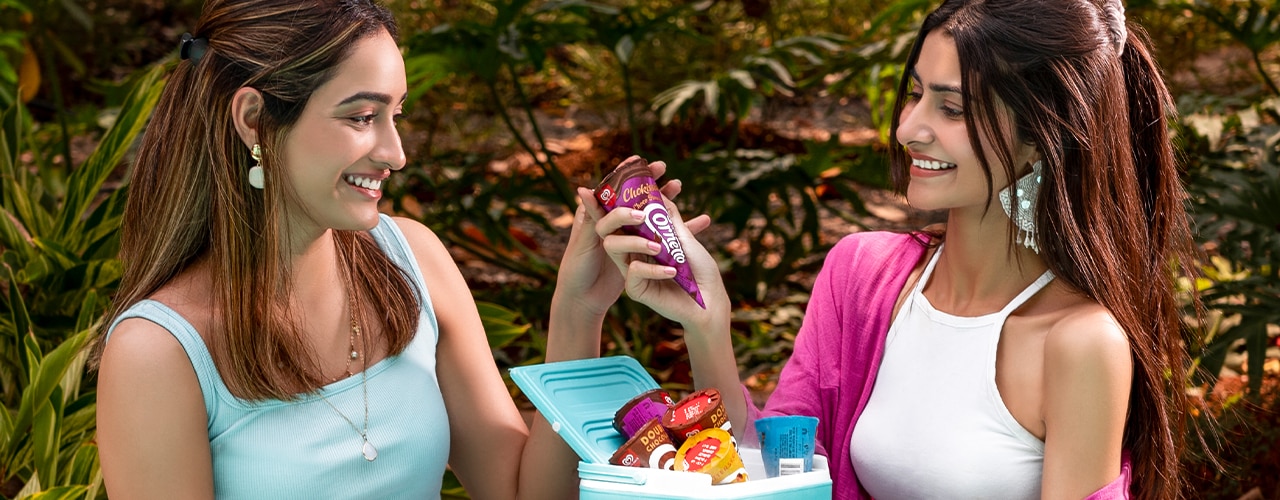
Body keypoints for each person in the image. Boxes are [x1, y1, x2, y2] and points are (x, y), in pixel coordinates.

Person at [92, 0, 703, 497]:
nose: (395, 152)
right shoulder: (160, 352)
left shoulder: (413, 260)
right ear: (254, 119)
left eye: (397, 114)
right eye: (361, 117)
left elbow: (520, 494)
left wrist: (578, 311)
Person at [591, 0, 1200, 498]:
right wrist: (706, 322)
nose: (909, 127)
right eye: (914, 95)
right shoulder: (862, 273)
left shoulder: (1080, 342)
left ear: (1045, 136)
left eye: (952, 107)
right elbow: (774, 470)